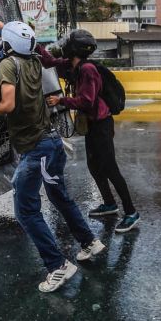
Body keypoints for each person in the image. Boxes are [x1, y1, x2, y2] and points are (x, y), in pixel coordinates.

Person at [0, 0, 105, 293]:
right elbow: (10, 31)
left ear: (8, 45)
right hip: (52, 144)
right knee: (60, 198)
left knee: (26, 211)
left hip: (37, 150)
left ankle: (58, 265)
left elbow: (6, 106)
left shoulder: (9, 66)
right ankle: (90, 242)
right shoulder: (35, 60)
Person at [40, 29, 141, 233]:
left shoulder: (87, 70)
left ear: (72, 48)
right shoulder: (72, 65)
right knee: (94, 166)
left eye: (67, 43)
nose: (63, 46)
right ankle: (110, 204)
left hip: (101, 125)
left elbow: (87, 100)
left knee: (110, 168)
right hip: (93, 124)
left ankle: (131, 212)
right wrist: (32, 41)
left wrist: (61, 101)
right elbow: (49, 62)